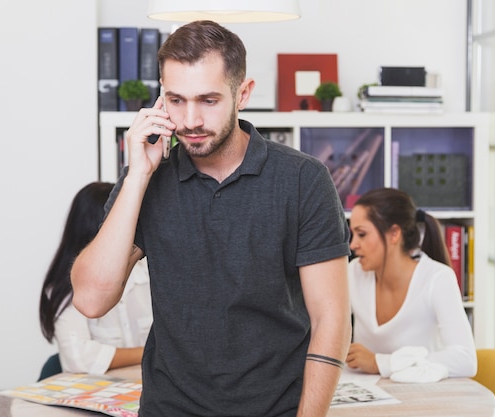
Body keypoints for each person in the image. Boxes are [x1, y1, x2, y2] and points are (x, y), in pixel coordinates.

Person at [70, 20, 351, 417]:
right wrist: (137, 175)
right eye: (176, 100)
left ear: (243, 93)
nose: (190, 121)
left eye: (208, 100)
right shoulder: (147, 179)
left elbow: (331, 319)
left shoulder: (302, 179)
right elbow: (91, 298)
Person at [346, 187, 476, 383]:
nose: (352, 245)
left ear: (394, 234)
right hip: (369, 399)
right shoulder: (353, 272)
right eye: (352, 235)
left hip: (422, 401)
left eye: (362, 234)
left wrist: (379, 363)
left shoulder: (437, 279)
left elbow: (466, 360)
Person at [39, 182, 152, 375]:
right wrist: (150, 353)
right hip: (95, 393)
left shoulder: (146, 272)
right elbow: (79, 357)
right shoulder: (64, 288)